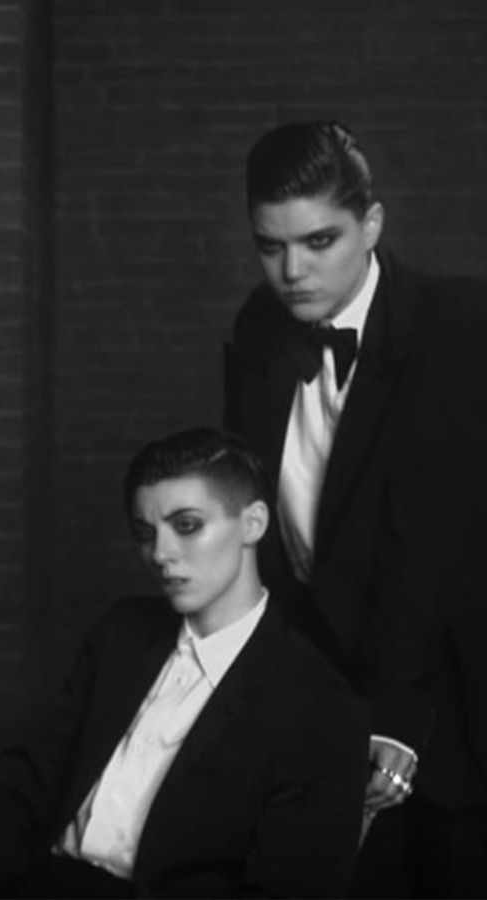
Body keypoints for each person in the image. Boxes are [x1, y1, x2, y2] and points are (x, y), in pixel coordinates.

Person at [223, 120, 487, 896]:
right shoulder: (259, 327)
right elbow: (258, 519)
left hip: (449, 705)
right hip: (322, 700)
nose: (293, 271)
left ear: (371, 225)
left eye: (319, 241)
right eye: (270, 246)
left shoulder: (458, 327)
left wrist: (394, 717)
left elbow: (432, 543)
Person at [0, 428, 367, 898]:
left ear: (253, 523)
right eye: (146, 533)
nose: (160, 554)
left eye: (187, 525)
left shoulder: (319, 705)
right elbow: (29, 783)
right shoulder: (122, 634)